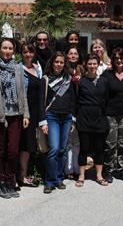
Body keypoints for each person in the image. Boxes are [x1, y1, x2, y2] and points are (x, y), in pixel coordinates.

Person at [0, 38, 30, 199]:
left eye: (10, 48)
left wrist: (26, 114)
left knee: (12, 151)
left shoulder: (18, 69)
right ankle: (1, 182)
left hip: (16, 115)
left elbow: (22, 93)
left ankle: (10, 179)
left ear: (13, 51)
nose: (7, 51)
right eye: (4, 47)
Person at [40, 52, 77, 194]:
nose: (59, 65)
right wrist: (43, 122)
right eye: (56, 62)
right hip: (52, 117)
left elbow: (73, 100)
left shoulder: (68, 79)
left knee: (63, 149)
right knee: (54, 149)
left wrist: (73, 119)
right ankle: (49, 181)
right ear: (52, 63)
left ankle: (59, 178)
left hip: (67, 117)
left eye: (61, 62)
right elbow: (40, 103)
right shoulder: (45, 80)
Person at [75, 54, 109, 187]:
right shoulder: (80, 81)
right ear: (85, 65)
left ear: (98, 64)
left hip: (100, 118)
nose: (92, 66)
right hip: (84, 117)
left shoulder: (104, 81)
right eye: (90, 64)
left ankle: (99, 175)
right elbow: (76, 100)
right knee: (84, 148)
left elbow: (106, 99)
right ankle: (81, 175)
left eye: (95, 63)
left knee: (99, 148)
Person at [102, 48, 123, 183]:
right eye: (116, 59)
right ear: (113, 61)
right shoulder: (107, 75)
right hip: (110, 114)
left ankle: (122, 170)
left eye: (121, 58)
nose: (119, 61)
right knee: (110, 144)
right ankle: (108, 170)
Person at [19, 43, 44, 187]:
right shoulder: (18, 69)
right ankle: (22, 175)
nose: (28, 54)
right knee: (25, 144)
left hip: (37, 110)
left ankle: (29, 171)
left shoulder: (37, 68)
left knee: (33, 143)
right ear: (21, 54)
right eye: (25, 52)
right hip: (25, 111)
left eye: (30, 52)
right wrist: (24, 114)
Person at [64, 47, 84, 179]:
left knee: (77, 141)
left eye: (75, 53)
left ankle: (77, 168)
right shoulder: (64, 70)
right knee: (68, 141)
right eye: (70, 53)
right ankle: (68, 169)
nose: (72, 55)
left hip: (81, 109)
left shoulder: (83, 69)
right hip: (67, 108)